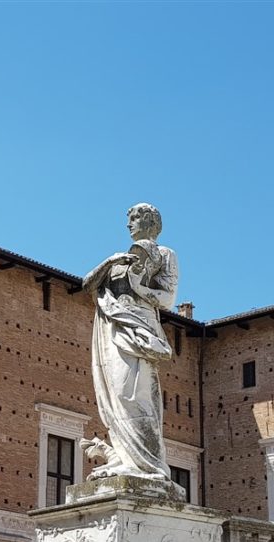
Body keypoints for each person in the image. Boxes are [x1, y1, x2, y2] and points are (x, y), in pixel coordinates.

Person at [81, 203, 179, 483]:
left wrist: (138, 287)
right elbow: (88, 284)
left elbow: (168, 298)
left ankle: (147, 465)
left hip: (140, 329)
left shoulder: (165, 254)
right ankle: (126, 458)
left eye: (135, 218)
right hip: (113, 329)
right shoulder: (120, 260)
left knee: (132, 394)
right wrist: (111, 261)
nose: (129, 224)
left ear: (150, 221)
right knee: (114, 394)